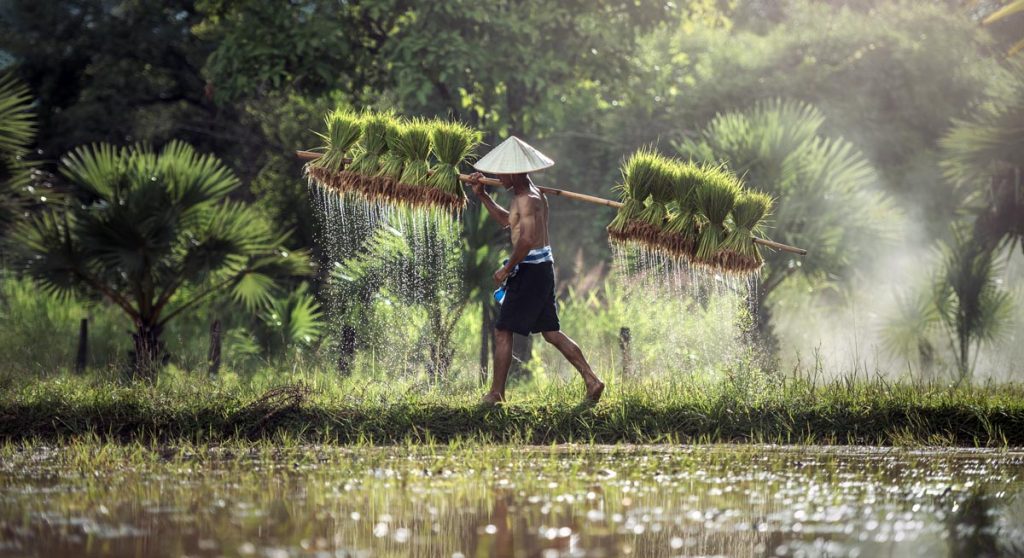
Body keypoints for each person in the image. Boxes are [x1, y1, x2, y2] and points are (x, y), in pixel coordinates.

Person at [466, 136, 605, 405]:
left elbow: (526, 241)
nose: (497, 176)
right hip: (541, 268)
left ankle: (496, 394)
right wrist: (482, 196)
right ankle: (592, 380)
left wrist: (507, 268)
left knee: (503, 329)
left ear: (515, 172)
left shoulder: (528, 199)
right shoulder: (530, 195)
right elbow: (509, 222)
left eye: (502, 172)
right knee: (550, 332)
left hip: (530, 270)